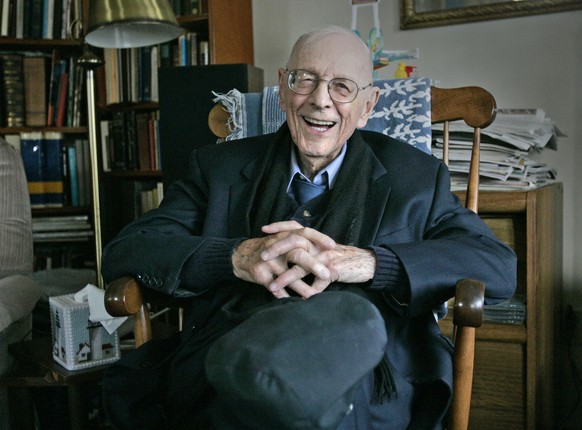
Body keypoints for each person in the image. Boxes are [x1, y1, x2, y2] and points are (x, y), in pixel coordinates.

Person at [101, 25, 516, 429]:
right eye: (305, 80)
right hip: (236, 353)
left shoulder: (416, 178)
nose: (321, 100)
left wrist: (369, 262)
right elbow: (130, 248)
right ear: (283, 87)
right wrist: (235, 257)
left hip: (367, 372)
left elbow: (496, 265)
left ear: (368, 105)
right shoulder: (219, 168)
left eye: (342, 86)